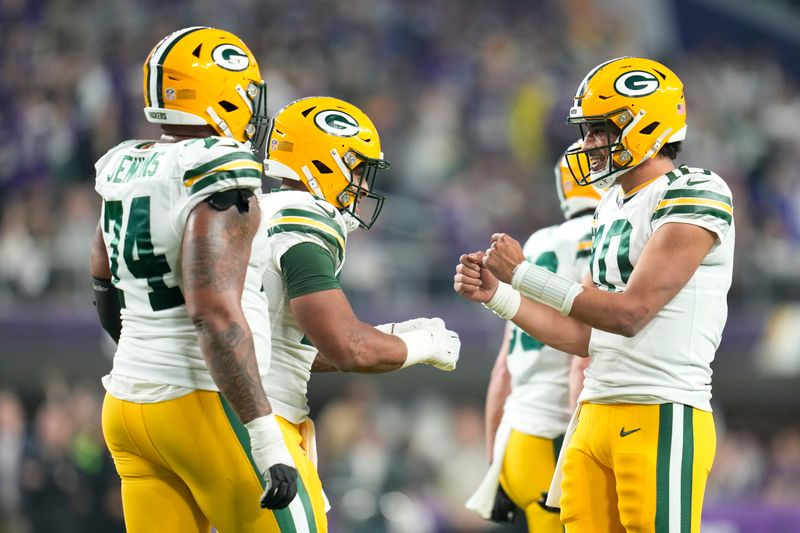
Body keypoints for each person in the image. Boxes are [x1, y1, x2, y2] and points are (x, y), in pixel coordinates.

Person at [454, 56, 734, 532]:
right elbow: (583, 335)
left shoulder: (695, 191)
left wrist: (523, 274)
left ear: (644, 126)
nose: (587, 144)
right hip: (592, 412)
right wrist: (500, 294)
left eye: (599, 129)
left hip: (660, 410)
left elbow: (631, 313)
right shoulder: (609, 204)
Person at [90, 26, 298, 532]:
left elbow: (102, 282)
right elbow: (213, 312)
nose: (253, 107)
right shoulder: (217, 168)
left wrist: (149, 353)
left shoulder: (126, 163)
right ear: (217, 95)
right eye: (246, 94)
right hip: (202, 400)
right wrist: (267, 437)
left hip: (127, 404)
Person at [258, 96, 461, 531]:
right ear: (323, 162)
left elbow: (279, 348)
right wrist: (423, 344)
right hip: (262, 419)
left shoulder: (254, 210)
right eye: (355, 169)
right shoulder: (304, 218)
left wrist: (388, 334)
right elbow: (348, 348)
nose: (363, 188)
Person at [465, 144, 601, 531]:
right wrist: (584, 450)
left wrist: (496, 463)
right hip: (558, 434)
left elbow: (501, 373)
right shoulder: (606, 235)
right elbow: (584, 359)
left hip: (517, 438)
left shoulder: (537, 243)